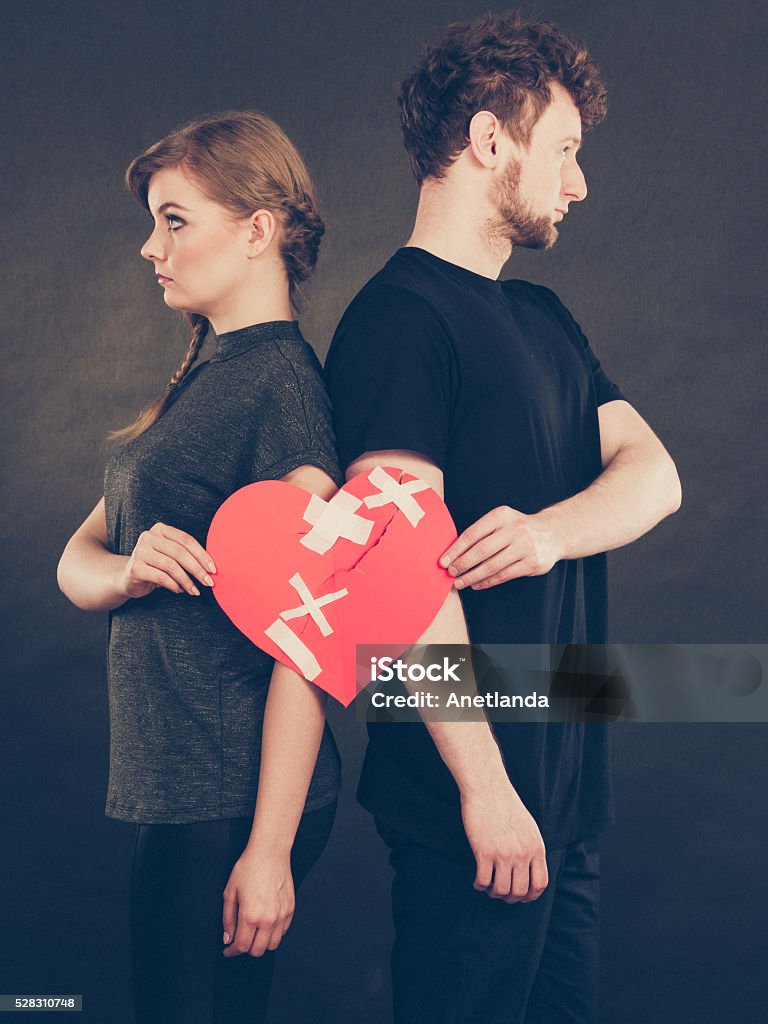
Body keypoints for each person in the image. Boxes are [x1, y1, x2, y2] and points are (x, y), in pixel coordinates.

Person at [326, 12, 681, 1024]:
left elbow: (655, 475)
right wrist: (485, 788)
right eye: (564, 150)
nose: (579, 184)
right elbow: (392, 576)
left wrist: (547, 532)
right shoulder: (399, 322)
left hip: (566, 810)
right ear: (491, 140)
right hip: (472, 811)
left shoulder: (545, 319)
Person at [57, 111, 343, 1024]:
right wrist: (131, 570)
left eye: (174, 220)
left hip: (228, 796)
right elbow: (77, 560)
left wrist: (269, 850)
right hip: (180, 787)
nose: (151, 247)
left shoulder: (282, 387)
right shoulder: (208, 372)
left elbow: (311, 634)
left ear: (257, 230)